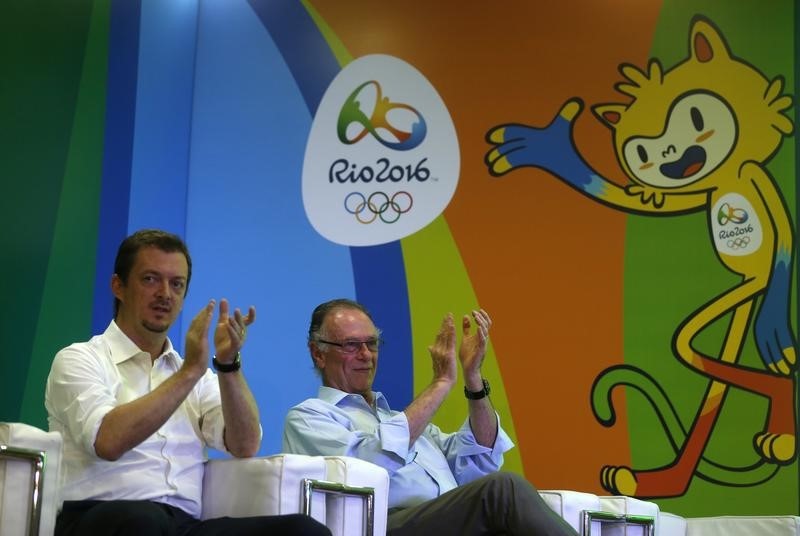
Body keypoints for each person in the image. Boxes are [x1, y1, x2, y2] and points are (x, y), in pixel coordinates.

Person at [45, 229, 330, 536]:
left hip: (183, 526)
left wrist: (227, 365)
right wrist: (189, 372)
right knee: (142, 521)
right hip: (99, 517)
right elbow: (108, 441)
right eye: (150, 279)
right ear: (119, 286)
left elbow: (245, 444)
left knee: (303, 530)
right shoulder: (79, 359)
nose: (165, 294)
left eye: (176, 284)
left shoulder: (195, 375)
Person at [283, 298, 578, 536]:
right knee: (503, 489)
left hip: (444, 521)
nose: (366, 355)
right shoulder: (310, 416)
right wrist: (440, 383)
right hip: (380, 525)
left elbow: (480, 461)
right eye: (351, 345)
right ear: (318, 354)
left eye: (371, 344)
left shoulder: (399, 419)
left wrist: (473, 379)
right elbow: (367, 468)